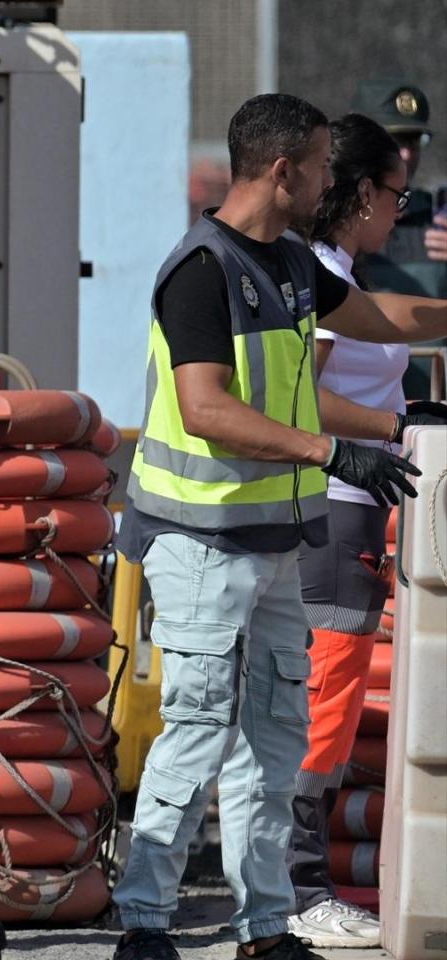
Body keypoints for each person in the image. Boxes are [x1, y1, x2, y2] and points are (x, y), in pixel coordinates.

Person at [110, 92, 447, 960]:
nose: (333, 179)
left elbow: (379, 320)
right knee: (195, 731)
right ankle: (145, 923)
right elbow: (206, 406)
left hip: (273, 545)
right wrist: (333, 454)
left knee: (273, 740)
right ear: (281, 170)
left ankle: (267, 925)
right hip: (199, 542)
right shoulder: (200, 268)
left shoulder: (291, 259)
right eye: (325, 164)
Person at [286, 113, 447, 949]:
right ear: (357, 197)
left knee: (331, 706)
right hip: (330, 506)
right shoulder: (310, 271)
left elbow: (394, 319)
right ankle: (301, 887)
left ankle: (294, 885)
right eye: (394, 193)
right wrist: (398, 429)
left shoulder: (336, 271)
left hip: (346, 509)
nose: (401, 209)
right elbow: (302, 400)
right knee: (325, 704)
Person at [350, 80, 445, 301]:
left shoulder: (438, 219)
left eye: (414, 142)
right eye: (394, 140)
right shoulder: (329, 223)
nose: (406, 155)